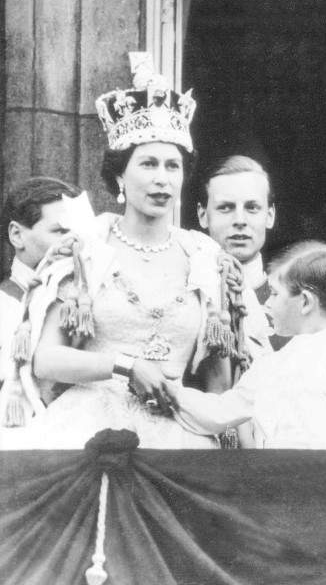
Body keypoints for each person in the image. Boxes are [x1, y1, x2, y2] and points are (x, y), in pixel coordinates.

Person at [23, 54, 238, 449]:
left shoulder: (204, 259)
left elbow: (217, 380)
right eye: (149, 164)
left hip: (178, 432)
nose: (162, 179)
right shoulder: (86, 251)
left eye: (173, 166)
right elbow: (46, 359)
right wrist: (125, 366)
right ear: (121, 174)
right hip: (90, 430)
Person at [167, 241, 326, 449]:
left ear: (305, 302)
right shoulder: (268, 366)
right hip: (277, 487)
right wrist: (170, 393)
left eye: (274, 294)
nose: (267, 303)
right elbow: (221, 411)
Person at [0, 177, 81, 447]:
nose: (74, 242)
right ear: (17, 235)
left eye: (79, 231)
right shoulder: (4, 305)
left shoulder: (89, 306)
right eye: (60, 231)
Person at [197, 155, 286, 352]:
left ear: (270, 215)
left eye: (252, 208)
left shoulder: (294, 305)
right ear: (203, 215)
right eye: (225, 208)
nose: (240, 220)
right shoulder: (192, 298)